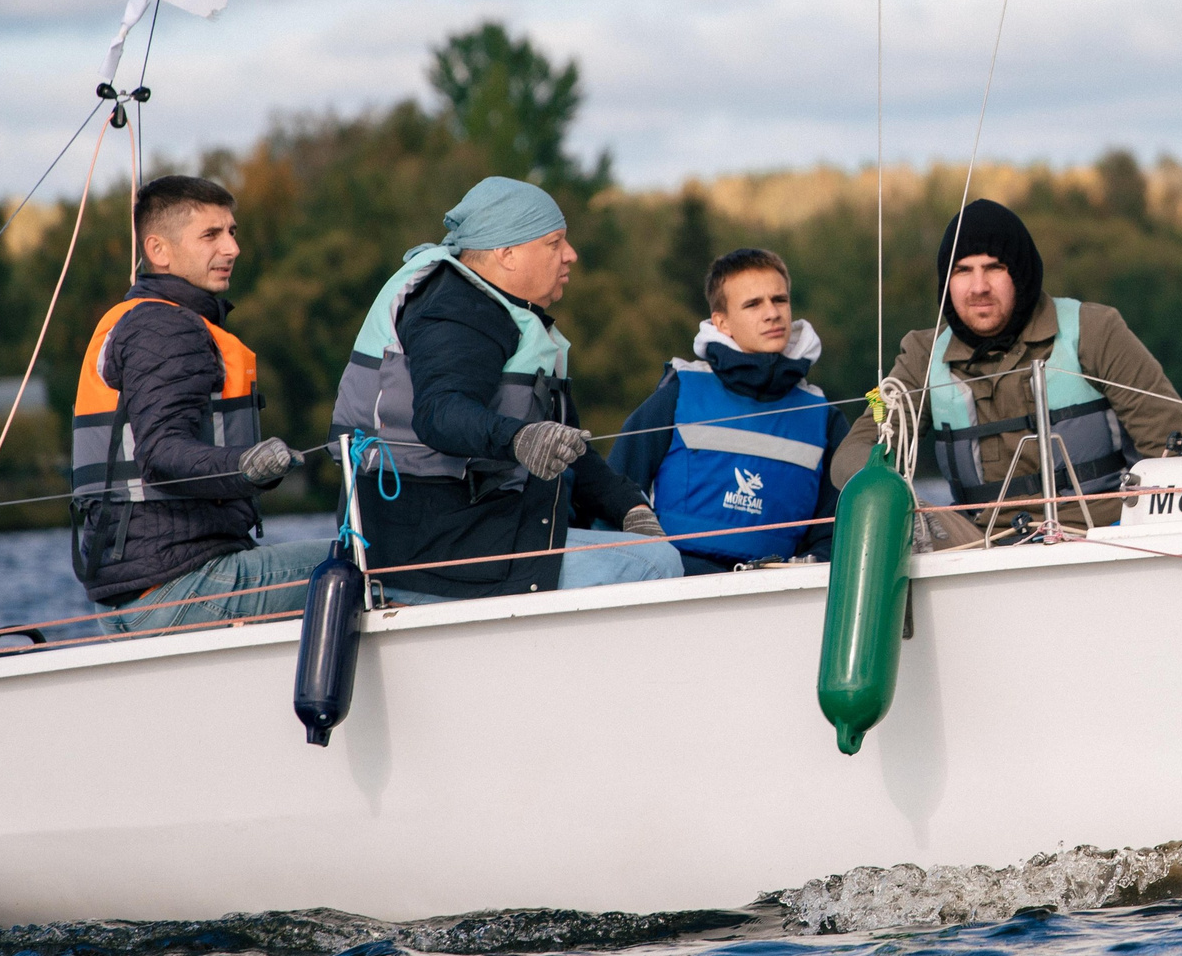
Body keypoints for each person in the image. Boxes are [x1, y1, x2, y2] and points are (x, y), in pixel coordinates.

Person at [331, 176, 681, 601]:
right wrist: (520, 438)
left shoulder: (492, 309)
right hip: (433, 551)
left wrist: (629, 505)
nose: (570, 255)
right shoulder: (456, 310)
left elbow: (562, 443)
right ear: (507, 253)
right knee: (654, 564)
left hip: (474, 534)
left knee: (637, 543)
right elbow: (440, 412)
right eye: (554, 243)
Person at [832, 199, 1182, 540]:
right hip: (978, 547)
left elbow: (1172, 443)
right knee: (903, 529)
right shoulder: (922, 356)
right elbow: (853, 453)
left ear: (1020, 273)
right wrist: (894, 496)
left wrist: (1139, 528)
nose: (979, 287)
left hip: (1102, 537)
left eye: (994, 268)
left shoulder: (1096, 330)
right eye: (962, 271)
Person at [72, 175, 327, 634]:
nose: (232, 248)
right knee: (368, 561)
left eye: (232, 232)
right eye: (211, 235)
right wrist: (246, 465)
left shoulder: (144, 320)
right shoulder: (166, 328)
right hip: (178, 585)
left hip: (135, 592)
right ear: (159, 250)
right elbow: (161, 453)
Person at [608, 248, 845, 573]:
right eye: (753, 304)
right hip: (674, 585)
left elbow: (836, 530)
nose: (772, 313)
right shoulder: (679, 393)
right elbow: (613, 494)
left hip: (780, 591)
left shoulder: (824, 417)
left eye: (779, 300)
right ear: (722, 323)